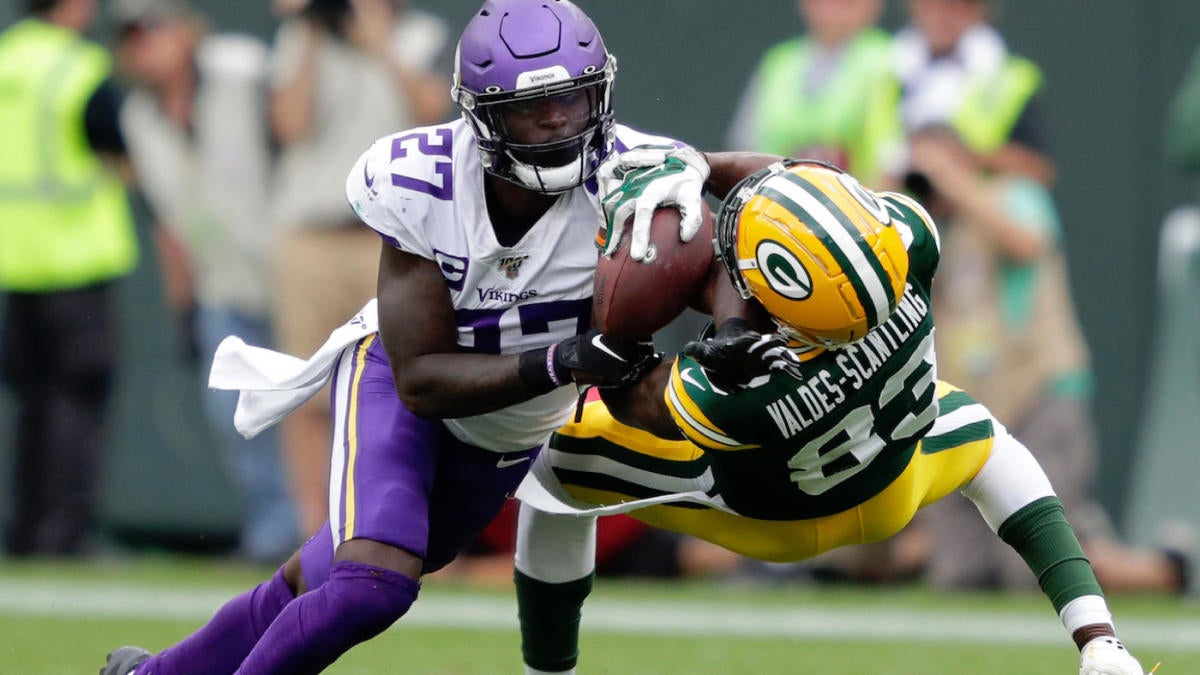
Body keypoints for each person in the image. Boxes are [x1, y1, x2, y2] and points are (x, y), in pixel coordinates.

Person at [99, 1, 732, 672]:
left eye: (572, 102)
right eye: (532, 109)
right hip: (405, 391)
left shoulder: (631, 173)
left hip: (506, 434)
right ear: (483, 116)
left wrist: (736, 329)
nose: (555, 124)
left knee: (318, 581)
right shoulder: (425, 180)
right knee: (374, 584)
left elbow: (724, 216)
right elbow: (421, 377)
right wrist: (564, 358)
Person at [512, 159, 1150, 675]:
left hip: (781, 518)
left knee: (555, 466)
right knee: (990, 446)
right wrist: (698, 166)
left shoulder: (730, 396)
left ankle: (548, 671)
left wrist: (618, 325)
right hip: (900, 477)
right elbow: (800, 179)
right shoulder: (912, 240)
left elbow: (630, 390)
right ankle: (1099, 643)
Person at [902, 125, 1188, 595]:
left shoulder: (1014, 195)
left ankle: (1168, 570)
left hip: (1041, 398)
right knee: (960, 573)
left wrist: (958, 181)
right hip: (978, 411)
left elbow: (1027, 243)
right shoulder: (929, 234)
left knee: (1036, 565)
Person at [111, 0, 299, 563]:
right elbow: (170, 220)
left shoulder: (239, 67)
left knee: (311, 409)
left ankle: (319, 533)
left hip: (286, 265)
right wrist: (182, 304)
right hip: (221, 281)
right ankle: (272, 537)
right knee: (237, 415)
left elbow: (298, 131)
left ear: (183, 25)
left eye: (152, 27)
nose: (144, 42)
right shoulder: (137, 116)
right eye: (130, 34)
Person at [267, 0, 454, 535]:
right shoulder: (304, 39)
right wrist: (307, 29)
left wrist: (381, 43)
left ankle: (403, 529)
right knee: (304, 392)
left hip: (390, 239)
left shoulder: (421, 34)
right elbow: (290, 124)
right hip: (311, 236)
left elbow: (432, 114)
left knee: (403, 389)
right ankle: (313, 532)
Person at [0, 0, 139, 557]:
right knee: (76, 405)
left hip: (16, 264)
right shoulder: (77, 68)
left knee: (32, 405)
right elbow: (118, 155)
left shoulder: (6, 59)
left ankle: (25, 531)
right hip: (75, 264)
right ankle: (62, 535)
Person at [726, 0, 903, 189]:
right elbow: (744, 158)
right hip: (772, 210)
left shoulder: (892, 60)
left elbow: (894, 167)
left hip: (861, 212)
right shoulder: (778, 65)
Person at [893, 0, 1055, 186]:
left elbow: (1039, 170)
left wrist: (965, 157)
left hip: (973, 203)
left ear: (980, 11)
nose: (943, 14)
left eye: (958, 5)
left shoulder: (1013, 79)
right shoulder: (880, 67)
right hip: (883, 201)